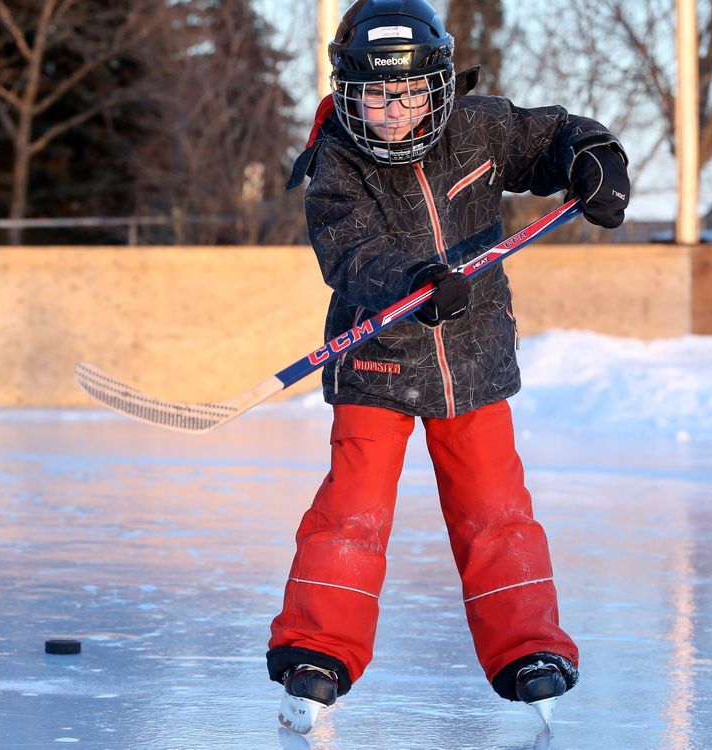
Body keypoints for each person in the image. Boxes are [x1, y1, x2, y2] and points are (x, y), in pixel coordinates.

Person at [268, 0, 630, 735]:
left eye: (409, 93)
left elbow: (554, 135)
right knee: (353, 513)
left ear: (439, 86)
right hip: (379, 362)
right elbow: (351, 253)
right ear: (347, 92)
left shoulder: (482, 125)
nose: (394, 110)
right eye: (375, 94)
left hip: (473, 361)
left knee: (495, 512)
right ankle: (317, 649)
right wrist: (413, 282)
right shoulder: (336, 160)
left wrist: (593, 155)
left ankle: (528, 650)